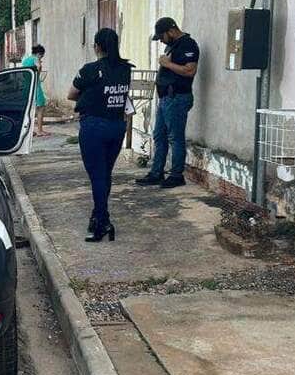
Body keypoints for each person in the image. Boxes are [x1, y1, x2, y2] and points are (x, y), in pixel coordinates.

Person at [67, 29, 131, 242]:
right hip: (117, 126)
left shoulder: (89, 70)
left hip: (94, 126)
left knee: (97, 175)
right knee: (105, 174)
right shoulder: (125, 69)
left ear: (97, 47)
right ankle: (98, 215)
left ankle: (103, 221)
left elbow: (71, 94)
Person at [137, 17, 199, 189]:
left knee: (175, 137)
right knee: (159, 136)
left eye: (162, 37)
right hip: (166, 98)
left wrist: (167, 63)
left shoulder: (188, 44)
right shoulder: (173, 45)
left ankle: (176, 175)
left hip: (177, 98)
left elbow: (190, 70)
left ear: (171, 31)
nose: (162, 41)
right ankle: (157, 172)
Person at [22, 44, 48, 136]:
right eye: (41, 56)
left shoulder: (25, 60)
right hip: (35, 86)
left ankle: (30, 131)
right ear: (38, 54)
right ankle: (40, 130)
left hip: (27, 86)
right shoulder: (35, 59)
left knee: (29, 110)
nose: (41, 58)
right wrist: (39, 68)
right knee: (40, 108)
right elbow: (38, 67)